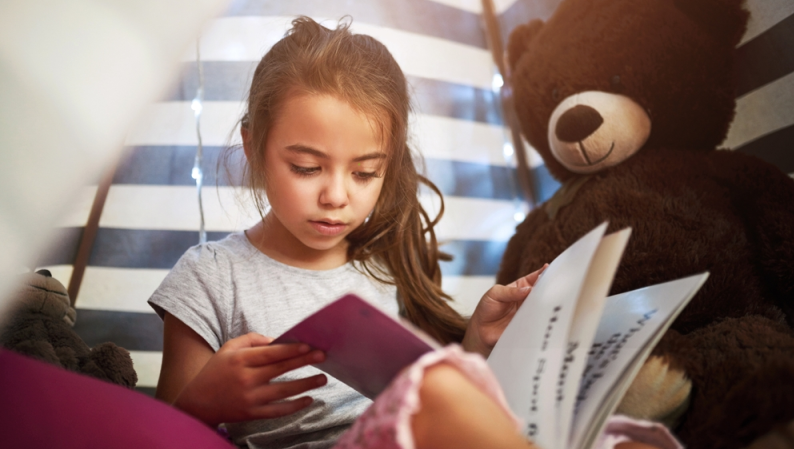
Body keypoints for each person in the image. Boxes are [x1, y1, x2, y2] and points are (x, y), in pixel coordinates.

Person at [149, 17, 679, 449]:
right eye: (307, 167)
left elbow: (425, 391)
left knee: (613, 438)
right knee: (441, 395)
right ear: (252, 146)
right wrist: (204, 401)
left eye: (364, 173)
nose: (337, 195)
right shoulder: (210, 276)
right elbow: (153, 432)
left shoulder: (382, 261)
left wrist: (478, 342)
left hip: (424, 432)